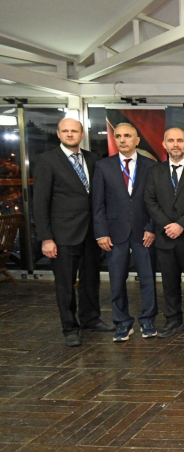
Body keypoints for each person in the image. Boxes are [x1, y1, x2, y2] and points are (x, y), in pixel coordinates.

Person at [33, 117, 114, 347]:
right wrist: (46, 238)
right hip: (62, 235)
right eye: (65, 131)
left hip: (90, 232)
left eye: (74, 131)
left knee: (91, 280)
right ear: (58, 134)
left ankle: (91, 319)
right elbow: (40, 202)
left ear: (81, 134)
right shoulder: (47, 161)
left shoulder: (92, 159)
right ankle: (70, 328)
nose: (70, 134)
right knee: (65, 284)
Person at [92, 123, 158, 343]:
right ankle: (122, 323)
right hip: (114, 233)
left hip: (143, 232)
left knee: (147, 279)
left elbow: (156, 201)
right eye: (118, 136)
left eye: (127, 136)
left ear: (137, 140)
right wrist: (101, 233)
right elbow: (98, 203)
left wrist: (151, 227)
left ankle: (148, 321)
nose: (122, 140)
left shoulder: (151, 166)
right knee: (117, 280)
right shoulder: (103, 166)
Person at [144, 128, 184, 338]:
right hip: (165, 238)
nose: (175, 144)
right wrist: (168, 225)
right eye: (171, 141)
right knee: (169, 283)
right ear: (164, 144)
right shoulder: (154, 172)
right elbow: (150, 201)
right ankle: (173, 320)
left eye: (180, 140)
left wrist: (180, 225)